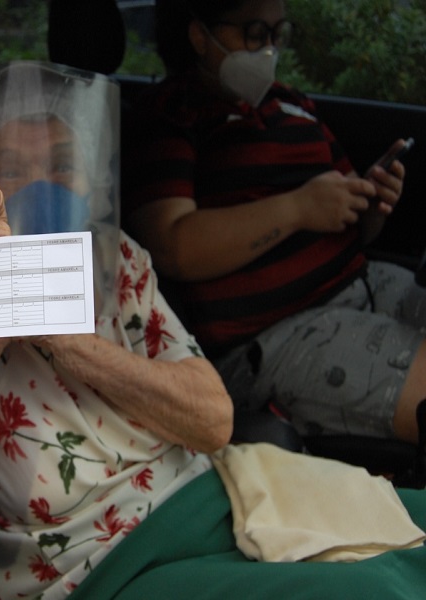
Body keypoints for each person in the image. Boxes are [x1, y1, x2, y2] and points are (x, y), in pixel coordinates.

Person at [0, 61, 426, 600]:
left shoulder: (118, 263)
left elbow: (213, 421)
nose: (43, 184)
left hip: (224, 498)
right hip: (105, 566)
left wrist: (65, 337)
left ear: (91, 184)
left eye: (64, 165)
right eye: (12, 169)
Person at [122, 0, 426, 443]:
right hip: (274, 334)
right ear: (199, 35)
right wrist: (298, 208)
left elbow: (354, 228)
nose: (268, 49)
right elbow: (172, 246)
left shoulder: (293, 104)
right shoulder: (171, 114)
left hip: (363, 280)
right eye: (253, 34)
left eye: (276, 34)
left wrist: (369, 204)